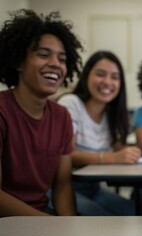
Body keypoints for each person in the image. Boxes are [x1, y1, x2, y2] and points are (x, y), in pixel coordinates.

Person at [0, 9, 83, 216]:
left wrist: (68, 228)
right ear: (19, 61)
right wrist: (50, 225)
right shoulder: (2, 111)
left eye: (62, 59)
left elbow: (62, 186)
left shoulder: (62, 116)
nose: (56, 64)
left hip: (43, 218)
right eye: (43, 54)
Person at [58, 51, 140, 216]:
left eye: (115, 77)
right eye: (100, 74)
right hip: (63, 188)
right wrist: (112, 158)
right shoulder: (70, 104)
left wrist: (130, 153)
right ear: (86, 75)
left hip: (93, 188)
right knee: (106, 222)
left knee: (137, 213)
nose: (107, 82)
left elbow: (119, 149)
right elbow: (66, 155)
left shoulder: (112, 114)